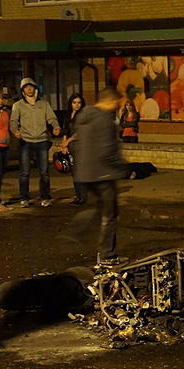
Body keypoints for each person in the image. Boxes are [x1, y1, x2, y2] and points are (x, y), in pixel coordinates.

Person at [65, 87, 130, 265]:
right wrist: (125, 168)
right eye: (117, 103)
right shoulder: (105, 120)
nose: (118, 106)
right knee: (110, 214)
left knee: (100, 208)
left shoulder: (85, 115)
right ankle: (107, 255)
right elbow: (107, 149)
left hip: (86, 172)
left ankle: (76, 231)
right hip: (103, 173)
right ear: (109, 101)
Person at [10, 77, 60, 207]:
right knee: (25, 172)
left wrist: (56, 126)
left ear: (35, 88)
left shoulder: (44, 104)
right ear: (23, 90)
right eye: (26, 87)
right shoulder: (18, 105)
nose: (29, 89)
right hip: (26, 141)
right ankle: (24, 198)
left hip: (42, 140)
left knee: (44, 172)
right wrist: (15, 131)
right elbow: (13, 122)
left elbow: (52, 118)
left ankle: (45, 197)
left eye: (31, 86)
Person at [60, 93, 88, 205]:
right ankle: (78, 195)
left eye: (79, 103)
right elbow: (65, 130)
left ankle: (83, 196)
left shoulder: (83, 115)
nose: (77, 105)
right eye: (74, 102)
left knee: (79, 171)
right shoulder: (68, 115)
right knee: (74, 171)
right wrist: (64, 144)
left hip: (80, 145)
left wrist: (68, 140)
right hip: (71, 146)